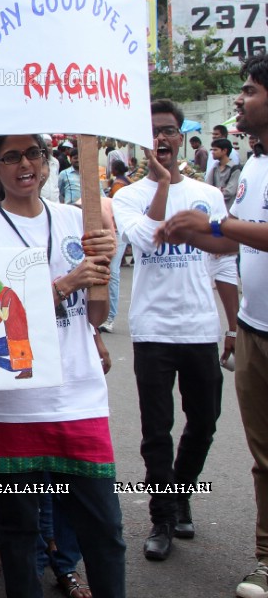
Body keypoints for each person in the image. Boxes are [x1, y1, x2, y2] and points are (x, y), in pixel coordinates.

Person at [0, 132, 124, 598]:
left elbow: (94, 317)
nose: (26, 165)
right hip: (11, 404)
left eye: (34, 154)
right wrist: (61, 285)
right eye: (12, 156)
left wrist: (105, 264)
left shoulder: (80, 221)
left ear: (46, 161)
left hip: (79, 397)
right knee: (18, 533)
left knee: (104, 529)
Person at [157, 57, 268, 597]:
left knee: (213, 426)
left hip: (231, 329)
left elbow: (234, 231)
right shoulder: (254, 167)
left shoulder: (228, 179)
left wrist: (214, 222)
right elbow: (231, 243)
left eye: (249, 90)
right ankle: (266, 560)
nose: (240, 99)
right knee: (263, 457)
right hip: (255, 330)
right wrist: (191, 232)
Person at [113, 99, 239, 562]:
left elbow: (224, 262)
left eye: (168, 131)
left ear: (181, 135)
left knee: (204, 421)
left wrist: (230, 329)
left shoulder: (210, 194)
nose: (161, 139)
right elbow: (147, 238)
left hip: (200, 327)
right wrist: (162, 187)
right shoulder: (126, 196)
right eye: (153, 134)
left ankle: (180, 493)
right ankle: (163, 517)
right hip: (153, 330)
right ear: (141, 143)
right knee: (156, 430)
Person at [206, 138, 242, 209]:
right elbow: (207, 188)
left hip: (228, 210)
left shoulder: (235, 169)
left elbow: (229, 192)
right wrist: (220, 189)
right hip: (215, 208)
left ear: (224, 151)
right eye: (212, 150)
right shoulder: (214, 168)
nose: (213, 152)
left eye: (215, 150)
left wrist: (214, 191)